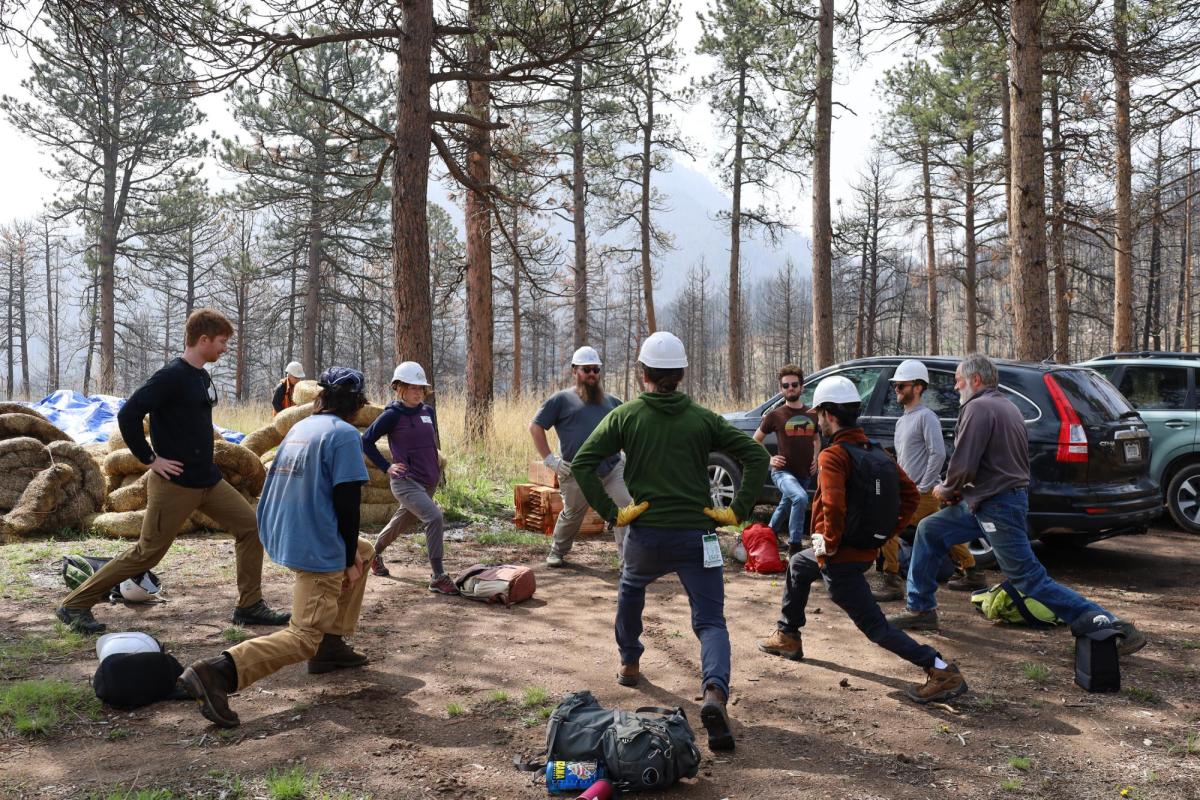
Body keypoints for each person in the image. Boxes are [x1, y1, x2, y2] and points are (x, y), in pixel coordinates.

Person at [572, 331, 769, 752]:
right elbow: (756, 456)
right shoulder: (703, 418)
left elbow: (585, 462)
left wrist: (612, 514)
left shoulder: (627, 416)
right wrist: (738, 510)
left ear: (642, 373)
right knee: (711, 620)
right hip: (699, 535)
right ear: (681, 374)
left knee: (631, 588)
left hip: (647, 534)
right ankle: (715, 691)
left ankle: (629, 661)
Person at [888, 354, 1148, 656]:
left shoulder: (978, 408)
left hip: (996, 505)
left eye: (959, 380)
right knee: (930, 530)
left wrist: (946, 489)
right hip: (989, 501)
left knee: (1027, 577)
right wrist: (961, 493)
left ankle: (1107, 623)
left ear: (976, 380)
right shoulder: (1007, 406)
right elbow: (994, 461)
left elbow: (965, 464)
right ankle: (921, 610)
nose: (955, 386)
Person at [56, 309, 290, 635]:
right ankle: (75, 604)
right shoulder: (171, 376)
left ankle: (249, 606)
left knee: (251, 528)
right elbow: (129, 414)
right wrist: (150, 459)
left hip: (207, 480)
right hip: (174, 484)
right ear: (203, 339)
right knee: (146, 555)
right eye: (222, 342)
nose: (224, 349)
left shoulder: (201, 376)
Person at [180, 367, 376, 728]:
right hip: (316, 544)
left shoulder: (303, 426)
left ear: (323, 398)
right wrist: (345, 559)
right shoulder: (346, 435)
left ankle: (330, 645)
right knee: (302, 636)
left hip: (283, 532)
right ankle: (217, 673)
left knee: (365, 550)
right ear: (357, 405)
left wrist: (353, 553)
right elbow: (348, 504)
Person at [757, 375, 969, 704]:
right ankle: (787, 635)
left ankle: (940, 669)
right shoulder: (876, 451)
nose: (818, 421)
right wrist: (885, 534)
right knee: (799, 565)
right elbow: (911, 495)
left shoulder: (833, 456)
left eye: (819, 415)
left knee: (876, 628)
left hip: (839, 558)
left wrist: (827, 546)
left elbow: (833, 507)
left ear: (828, 414)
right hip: (858, 551)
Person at [873, 359, 982, 602]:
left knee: (887, 526)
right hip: (910, 491)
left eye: (901, 386)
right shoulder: (902, 421)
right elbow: (905, 459)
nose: (897, 390)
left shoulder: (927, 417)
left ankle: (891, 581)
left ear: (918, 387)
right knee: (941, 531)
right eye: (896, 386)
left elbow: (939, 453)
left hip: (921, 492)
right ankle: (972, 571)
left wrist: (923, 485)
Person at [529, 346, 633, 567]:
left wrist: (627, 455)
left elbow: (629, 430)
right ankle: (558, 551)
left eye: (596, 369)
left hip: (611, 469)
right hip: (576, 472)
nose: (592, 374)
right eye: (587, 369)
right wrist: (550, 460)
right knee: (573, 513)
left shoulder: (612, 402)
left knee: (625, 508)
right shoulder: (561, 400)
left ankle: (628, 561)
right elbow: (535, 427)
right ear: (574, 371)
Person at [360, 362, 456, 594]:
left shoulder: (428, 412)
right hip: (405, 482)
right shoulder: (392, 415)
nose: (418, 392)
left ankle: (372, 554)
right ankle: (438, 575)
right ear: (399, 388)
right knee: (434, 518)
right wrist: (387, 467)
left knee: (401, 521)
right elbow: (365, 441)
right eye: (412, 388)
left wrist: (436, 471)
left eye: (421, 388)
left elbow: (430, 445)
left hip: (428, 481)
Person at [754, 365, 819, 557]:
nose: (790, 388)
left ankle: (769, 535)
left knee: (786, 504)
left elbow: (816, 439)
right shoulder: (775, 415)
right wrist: (770, 459)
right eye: (786, 385)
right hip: (783, 472)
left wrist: (816, 456)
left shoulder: (812, 414)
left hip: (805, 473)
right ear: (781, 389)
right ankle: (795, 545)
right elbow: (755, 440)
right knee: (799, 498)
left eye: (794, 384)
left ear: (801, 386)